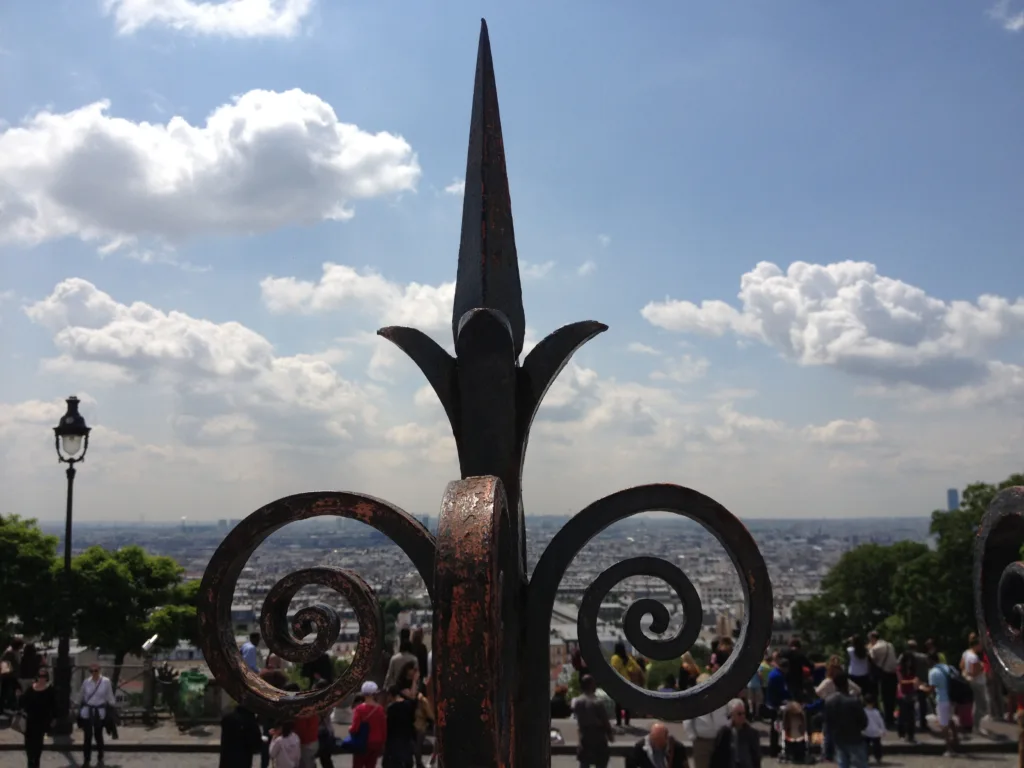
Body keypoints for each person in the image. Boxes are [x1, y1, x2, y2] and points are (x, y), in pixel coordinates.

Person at [823, 671, 868, 768]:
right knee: (860, 764)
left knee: (843, 763)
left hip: (838, 737)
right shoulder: (854, 701)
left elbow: (828, 722)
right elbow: (864, 722)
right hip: (854, 737)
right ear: (847, 683)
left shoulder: (829, 701)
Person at [78, 663, 116, 768]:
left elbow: (109, 695)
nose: (94, 673)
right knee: (87, 737)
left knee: (98, 736)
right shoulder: (86, 682)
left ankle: (100, 757)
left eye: (96, 671)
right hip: (88, 712)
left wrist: (113, 706)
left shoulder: (106, 682)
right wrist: (76, 706)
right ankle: (86, 759)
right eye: (92, 671)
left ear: (99, 670)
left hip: (99, 713)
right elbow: (81, 695)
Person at [572, 674, 613, 768]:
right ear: (591, 685)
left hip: (584, 736)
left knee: (584, 763)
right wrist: (609, 734)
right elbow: (605, 721)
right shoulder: (597, 702)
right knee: (601, 762)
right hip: (598, 737)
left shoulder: (577, 701)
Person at [383, 663, 420, 768]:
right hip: (406, 738)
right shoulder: (408, 704)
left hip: (394, 741)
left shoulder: (391, 708)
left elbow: (388, 726)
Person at [924, 653, 960, 757]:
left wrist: (921, 687)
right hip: (952, 698)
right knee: (950, 719)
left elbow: (931, 689)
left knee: (944, 724)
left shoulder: (933, 672)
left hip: (942, 699)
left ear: (931, 661)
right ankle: (956, 740)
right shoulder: (948, 667)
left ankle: (949, 748)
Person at [19, 668, 55, 768]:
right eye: (40, 676)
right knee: (28, 747)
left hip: (42, 723)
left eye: (44, 676)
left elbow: (53, 706)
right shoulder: (31, 689)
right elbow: (23, 703)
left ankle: (35, 765)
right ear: (37, 677)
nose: (41, 678)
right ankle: (30, 765)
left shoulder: (50, 690)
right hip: (30, 721)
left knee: (37, 748)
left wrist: (52, 720)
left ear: (47, 678)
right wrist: (19, 696)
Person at [709, 699, 759, 768]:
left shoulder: (752, 733)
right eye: (739, 714)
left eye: (744, 713)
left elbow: (756, 758)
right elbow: (716, 757)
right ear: (732, 715)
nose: (742, 716)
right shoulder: (724, 733)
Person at [684, 693, 729, 768]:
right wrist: (693, 736)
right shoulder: (695, 699)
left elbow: (727, 714)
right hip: (702, 741)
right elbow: (687, 718)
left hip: (720, 740)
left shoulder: (722, 698)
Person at [351, 681, 387, 768]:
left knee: (358, 765)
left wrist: (350, 729)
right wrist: (383, 743)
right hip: (376, 743)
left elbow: (355, 728)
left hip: (362, 742)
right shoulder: (380, 709)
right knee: (371, 765)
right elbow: (384, 729)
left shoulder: (359, 709)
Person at [867, 631, 898, 729]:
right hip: (894, 673)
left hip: (886, 674)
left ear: (872, 638)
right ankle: (891, 717)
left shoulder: (876, 648)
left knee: (885, 697)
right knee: (892, 697)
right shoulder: (890, 645)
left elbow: (871, 657)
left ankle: (887, 719)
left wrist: (869, 647)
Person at [961, 632, 990, 735]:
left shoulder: (966, 653)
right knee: (981, 706)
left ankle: (976, 725)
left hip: (973, 682)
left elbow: (962, 666)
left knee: (978, 705)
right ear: (976, 645)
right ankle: (976, 727)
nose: (981, 647)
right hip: (978, 683)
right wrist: (981, 667)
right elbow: (974, 672)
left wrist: (965, 675)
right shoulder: (974, 658)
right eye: (980, 645)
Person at [220, 703, 264, 768]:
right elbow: (255, 742)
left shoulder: (227, 717)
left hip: (227, 758)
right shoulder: (250, 720)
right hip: (243, 760)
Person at [610, 641, 644, 727]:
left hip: (619, 683)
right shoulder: (628, 658)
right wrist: (630, 671)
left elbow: (613, 670)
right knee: (627, 703)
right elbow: (637, 668)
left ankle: (619, 722)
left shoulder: (615, 658)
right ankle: (627, 722)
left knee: (618, 704)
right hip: (628, 682)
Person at [896, 650, 918, 742]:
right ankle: (902, 733)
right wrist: (912, 681)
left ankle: (911, 734)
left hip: (911, 692)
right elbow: (900, 681)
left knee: (911, 716)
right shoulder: (900, 668)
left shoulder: (913, 670)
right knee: (902, 715)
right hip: (902, 693)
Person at [862, 694, 885, 764]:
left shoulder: (863, 711)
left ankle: (865, 758)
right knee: (877, 746)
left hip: (866, 731)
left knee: (865, 746)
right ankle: (878, 758)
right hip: (876, 732)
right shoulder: (876, 712)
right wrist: (883, 730)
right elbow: (880, 722)